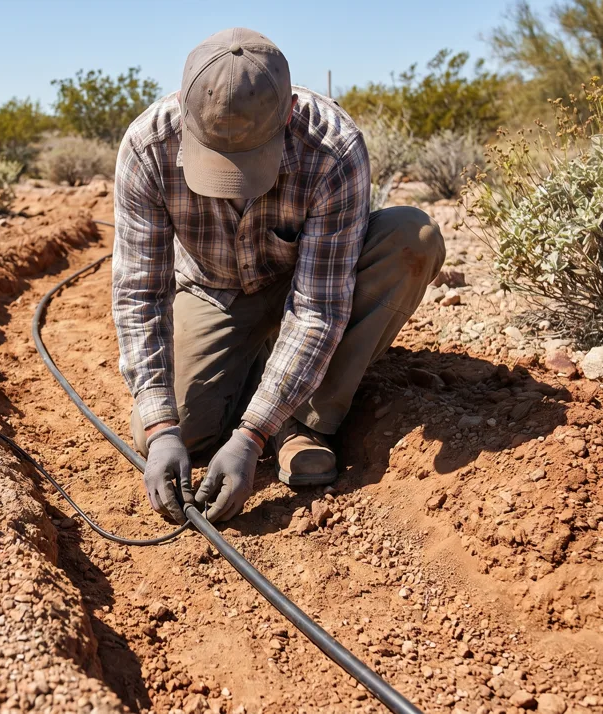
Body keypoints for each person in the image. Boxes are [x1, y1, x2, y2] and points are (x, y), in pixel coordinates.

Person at [112, 27, 445, 523]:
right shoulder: (147, 148)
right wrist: (162, 429)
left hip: (309, 280)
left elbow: (318, 306)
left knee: (411, 237)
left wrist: (252, 435)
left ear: (288, 112)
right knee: (163, 429)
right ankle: (258, 385)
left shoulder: (333, 148)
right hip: (214, 288)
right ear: (184, 105)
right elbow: (141, 293)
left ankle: (303, 422)